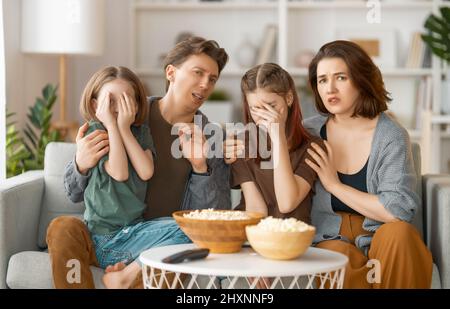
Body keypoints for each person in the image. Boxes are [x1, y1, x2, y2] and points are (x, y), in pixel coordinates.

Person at [46, 37, 231, 288]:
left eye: (212, 78)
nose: (205, 84)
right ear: (171, 72)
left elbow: (212, 220)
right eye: (198, 73)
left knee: (183, 249)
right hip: (103, 234)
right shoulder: (130, 115)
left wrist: (200, 168)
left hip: (159, 244)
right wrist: (81, 164)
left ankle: (131, 276)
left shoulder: (211, 137)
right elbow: (73, 192)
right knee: (63, 227)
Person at [304, 40, 432, 288]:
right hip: (331, 236)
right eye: (322, 80)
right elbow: (266, 150)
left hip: (382, 235)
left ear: (361, 79)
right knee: (336, 259)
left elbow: (397, 211)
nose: (330, 88)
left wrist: (334, 185)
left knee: (400, 234)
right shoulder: (308, 132)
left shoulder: (391, 135)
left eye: (340, 77)